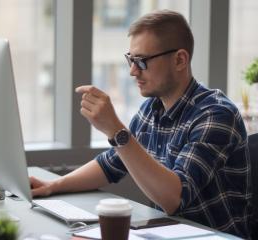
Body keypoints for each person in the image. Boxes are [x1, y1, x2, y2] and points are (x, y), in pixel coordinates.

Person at [30, 10, 252, 238]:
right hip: (168, 233)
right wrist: (52, 186)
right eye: (131, 59)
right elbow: (112, 163)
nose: (133, 71)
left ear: (180, 60)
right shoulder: (152, 108)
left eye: (142, 61)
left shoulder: (215, 114)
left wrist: (116, 130)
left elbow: (174, 199)